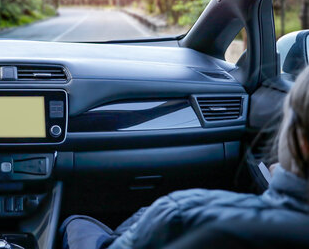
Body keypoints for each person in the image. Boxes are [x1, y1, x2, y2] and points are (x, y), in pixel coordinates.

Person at [61, 66, 309, 249]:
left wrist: (72, 221)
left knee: (76, 224)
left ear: (303, 145)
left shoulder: (183, 216)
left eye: (286, 118)